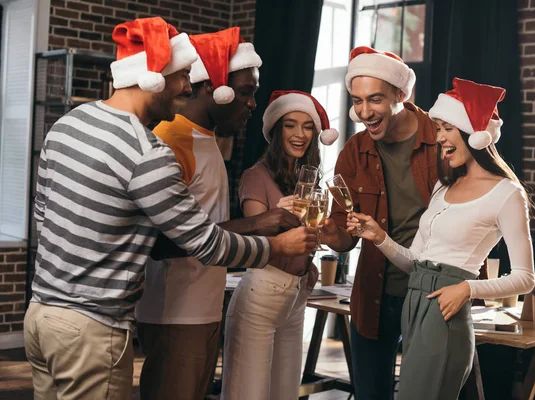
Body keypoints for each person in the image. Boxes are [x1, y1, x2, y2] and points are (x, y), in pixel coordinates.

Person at [23, 18, 316, 400]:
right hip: (92, 327)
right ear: (153, 78)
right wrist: (278, 246)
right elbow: (207, 245)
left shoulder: (67, 124)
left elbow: (42, 217)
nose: (187, 86)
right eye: (180, 77)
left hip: (41, 315)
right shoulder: (147, 152)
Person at [134, 27, 300, 400]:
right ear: (213, 88)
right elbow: (161, 242)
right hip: (174, 312)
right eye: (245, 92)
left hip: (203, 307)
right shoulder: (172, 141)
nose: (252, 104)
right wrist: (259, 226)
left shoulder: (206, 138)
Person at [347, 78, 535, 400]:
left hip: (444, 312)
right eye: (437, 129)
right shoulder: (443, 187)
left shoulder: (507, 193)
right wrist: (379, 238)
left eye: (447, 128)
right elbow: (415, 261)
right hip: (414, 302)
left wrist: (467, 288)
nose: (439, 138)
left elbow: (525, 278)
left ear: (473, 132)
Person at [319, 46, 438, 399]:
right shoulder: (354, 151)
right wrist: (328, 232)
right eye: (357, 101)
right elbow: (345, 239)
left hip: (431, 294)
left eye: (375, 100)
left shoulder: (441, 139)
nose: (364, 112)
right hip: (374, 294)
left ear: (401, 94)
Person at [221, 90, 339, 400]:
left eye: (308, 126)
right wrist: (279, 216)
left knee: (285, 393)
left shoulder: (307, 179)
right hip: (261, 297)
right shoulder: (255, 177)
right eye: (290, 125)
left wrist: (311, 257)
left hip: (296, 297)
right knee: (249, 394)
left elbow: (310, 238)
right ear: (276, 130)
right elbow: (258, 244)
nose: (300, 134)